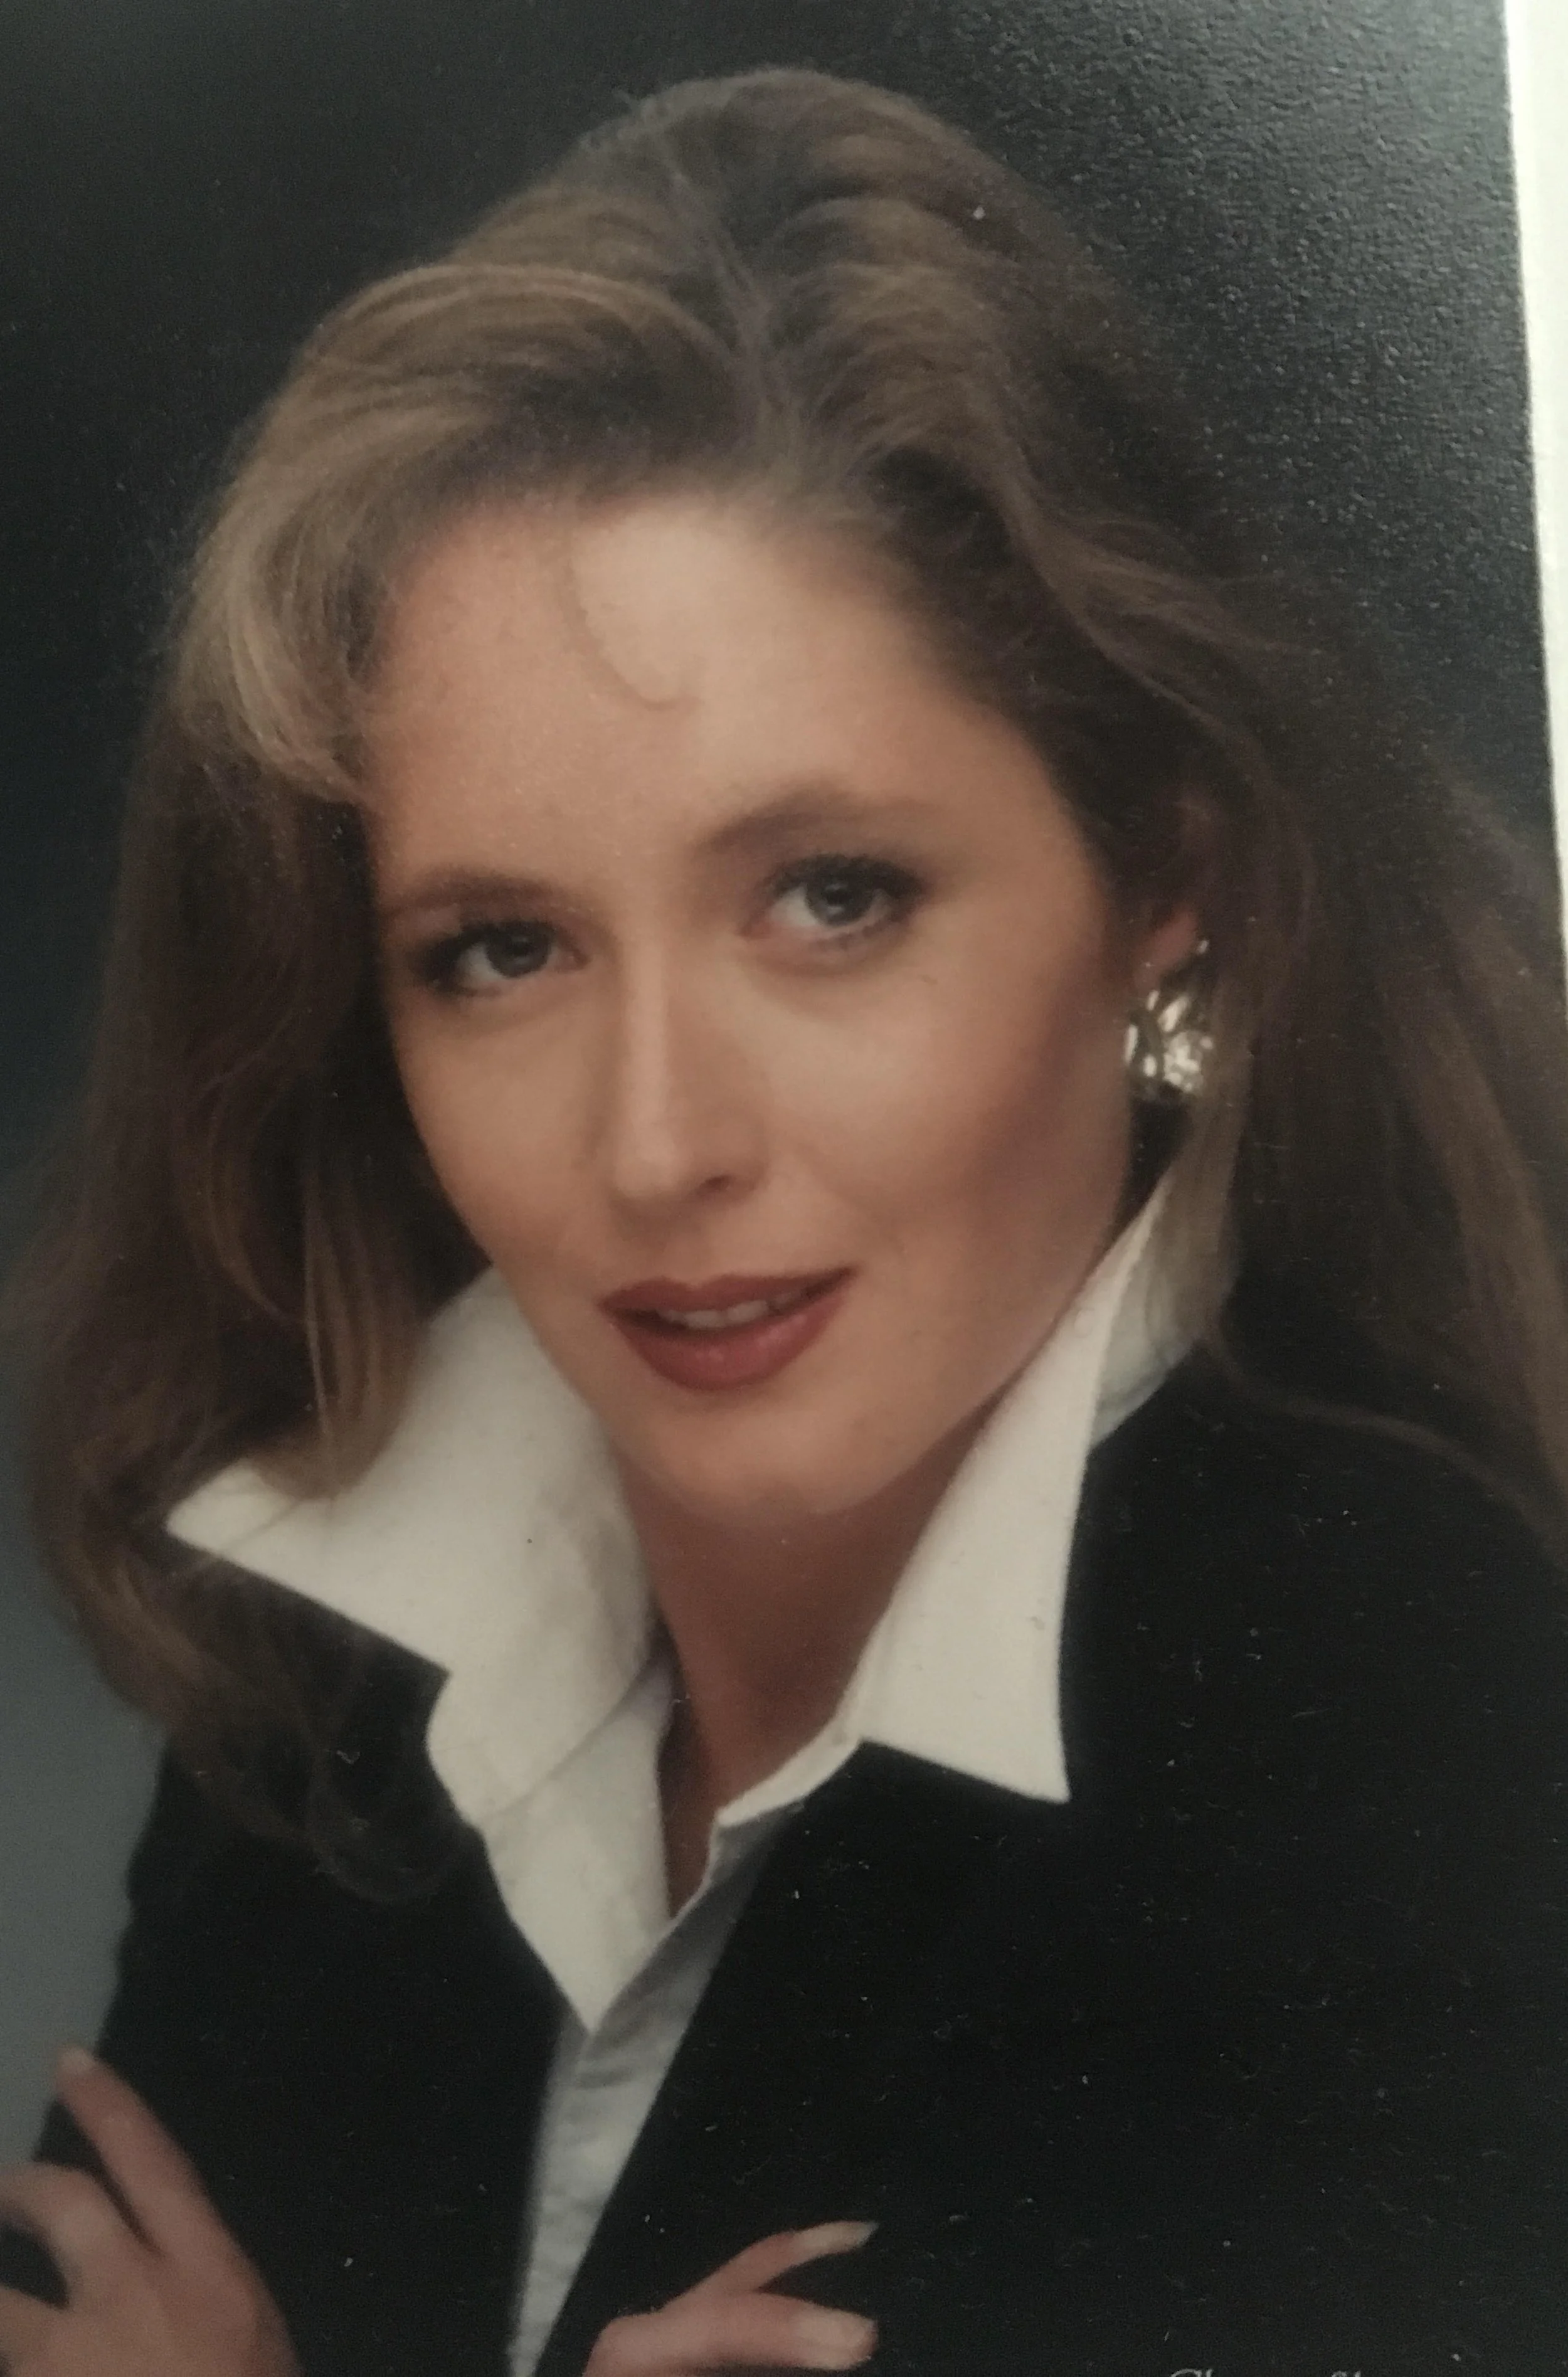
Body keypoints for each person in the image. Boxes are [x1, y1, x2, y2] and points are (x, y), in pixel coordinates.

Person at [3, 61, 1568, 2377]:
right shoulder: (341, 1637)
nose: (654, 1145)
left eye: (830, 897)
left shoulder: (1435, 1759)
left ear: (1165, 872)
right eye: (500, 947)